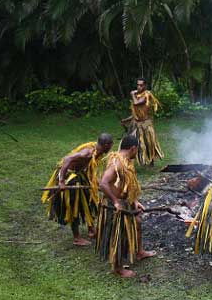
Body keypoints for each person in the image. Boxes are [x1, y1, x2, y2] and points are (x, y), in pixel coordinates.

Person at [96, 135, 156, 278]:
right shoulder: (118, 163)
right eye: (137, 150)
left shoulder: (126, 161)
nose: (138, 152)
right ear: (133, 148)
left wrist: (134, 201)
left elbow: (127, 183)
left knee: (138, 222)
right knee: (119, 234)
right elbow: (103, 183)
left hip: (126, 201)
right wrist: (116, 201)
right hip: (116, 204)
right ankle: (118, 268)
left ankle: (139, 252)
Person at [42, 133, 113, 246]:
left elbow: (88, 168)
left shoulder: (96, 151)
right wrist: (61, 182)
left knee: (90, 200)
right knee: (74, 204)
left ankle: (91, 230)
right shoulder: (88, 152)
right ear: (106, 145)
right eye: (111, 145)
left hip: (79, 174)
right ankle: (77, 238)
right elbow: (67, 159)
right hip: (68, 177)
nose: (111, 147)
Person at [120, 78, 164, 166]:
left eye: (141, 85)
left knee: (148, 143)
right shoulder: (137, 95)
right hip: (135, 124)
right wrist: (126, 120)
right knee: (130, 142)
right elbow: (136, 113)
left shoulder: (147, 94)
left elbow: (137, 103)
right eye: (138, 85)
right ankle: (127, 160)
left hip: (145, 124)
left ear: (145, 86)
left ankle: (151, 161)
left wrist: (132, 94)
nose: (139, 87)